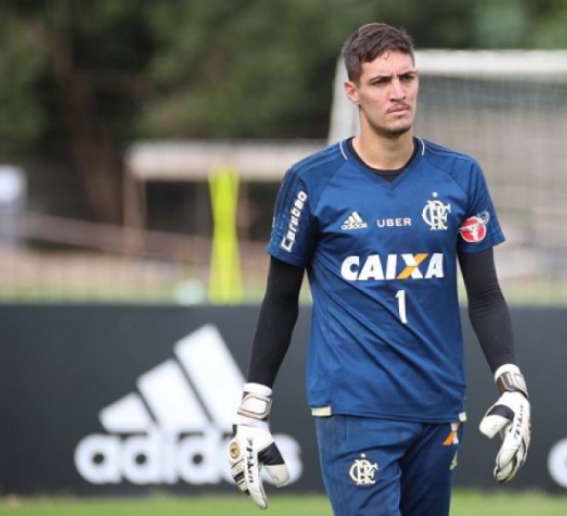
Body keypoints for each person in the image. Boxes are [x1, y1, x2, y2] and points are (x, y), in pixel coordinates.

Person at [227, 23, 531, 516]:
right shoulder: (312, 181)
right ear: (353, 92)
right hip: (354, 408)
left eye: (406, 78)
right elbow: (280, 298)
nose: (398, 92)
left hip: (438, 404)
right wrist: (252, 407)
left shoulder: (460, 176)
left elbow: (486, 295)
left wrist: (511, 383)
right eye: (381, 81)